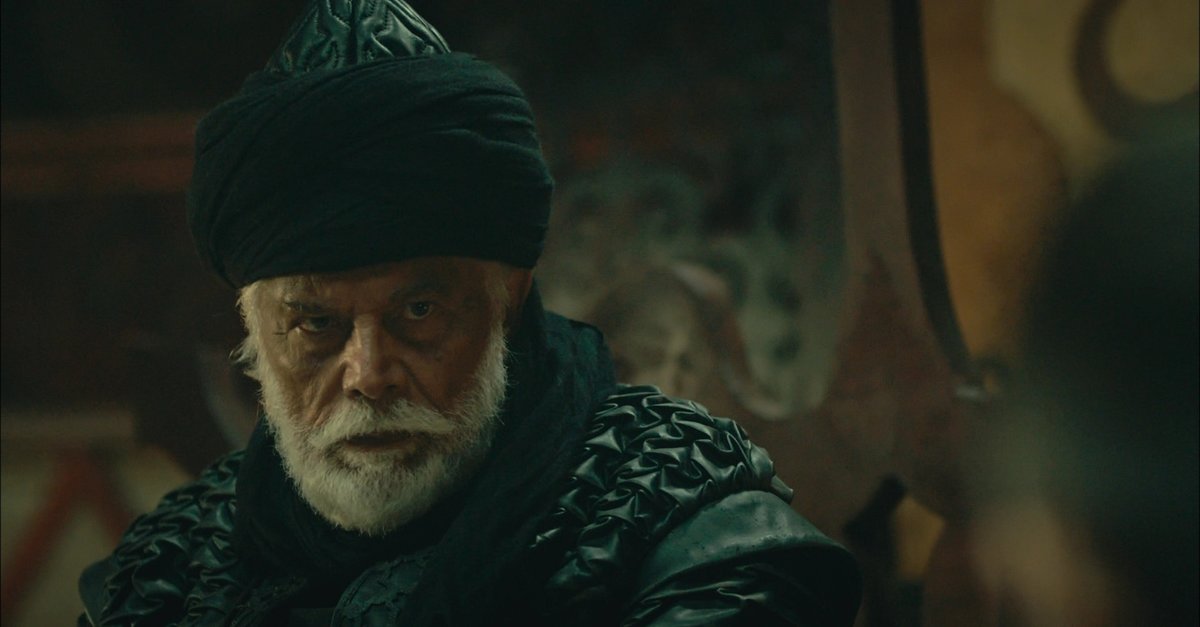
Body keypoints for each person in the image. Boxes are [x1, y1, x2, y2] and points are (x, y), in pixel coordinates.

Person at [77, 2, 861, 625]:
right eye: (315, 324)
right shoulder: (171, 569)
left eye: (418, 310)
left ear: (508, 301)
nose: (369, 375)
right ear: (253, 330)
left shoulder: (693, 540)